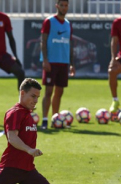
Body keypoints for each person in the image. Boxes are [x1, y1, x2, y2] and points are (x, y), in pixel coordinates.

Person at [40, 0, 75, 130]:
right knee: (48, 91)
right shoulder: (49, 21)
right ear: (57, 6)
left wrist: (71, 63)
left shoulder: (68, 24)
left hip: (63, 62)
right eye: (62, 5)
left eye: (66, 5)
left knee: (59, 91)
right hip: (51, 61)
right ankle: (44, 120)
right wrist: (45, 60)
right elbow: (43, 41)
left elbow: (70, 44)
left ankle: (56, 119)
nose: (64, 8)